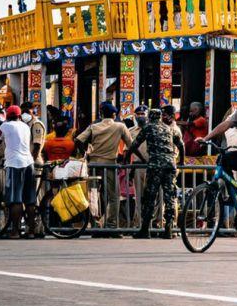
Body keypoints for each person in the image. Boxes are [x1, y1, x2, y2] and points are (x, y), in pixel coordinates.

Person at [126, 107, 184, 238]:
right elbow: (181, 145)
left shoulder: (148, 127)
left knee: (150, 197)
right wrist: (181, 162)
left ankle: (145, 230)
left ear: (149, 117)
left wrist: (125, 159)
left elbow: (134, 145)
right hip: (170, 166)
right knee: (169, 197)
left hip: (155, 166)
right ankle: (168, 229)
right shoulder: (169, 129)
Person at [74, 101, 134, 230]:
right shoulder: (120, 126)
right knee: (114, 196)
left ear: (101, 114)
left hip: (93, 164)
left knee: (93, 194)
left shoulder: (93, 127)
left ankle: (94, 223)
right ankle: (111, 224)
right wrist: (125, 159)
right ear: (114, 114)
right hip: (110, 165)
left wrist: (86, 153)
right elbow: (131, 145)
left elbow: (78, 140)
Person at [0, 104, 39, 238]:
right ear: (19, 116)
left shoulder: (5, 126)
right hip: (29, 163)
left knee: (16, 200)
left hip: (14, 164)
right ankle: (31, 231)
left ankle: (15, 231)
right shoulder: (26, 127)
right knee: (29, 200)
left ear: (8, 116)